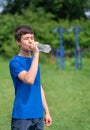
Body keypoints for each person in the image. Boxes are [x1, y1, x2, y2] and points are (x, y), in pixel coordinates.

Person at [9, 25, 52, 130]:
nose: (30, 41)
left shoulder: (34, 62)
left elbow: (39, 87)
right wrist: (36, 54)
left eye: (32, 38)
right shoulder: (15, 62)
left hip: (38, 115)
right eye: (26, 38)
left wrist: (47, 111)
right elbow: (29, 80)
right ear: (18, 42)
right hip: (22, 116)